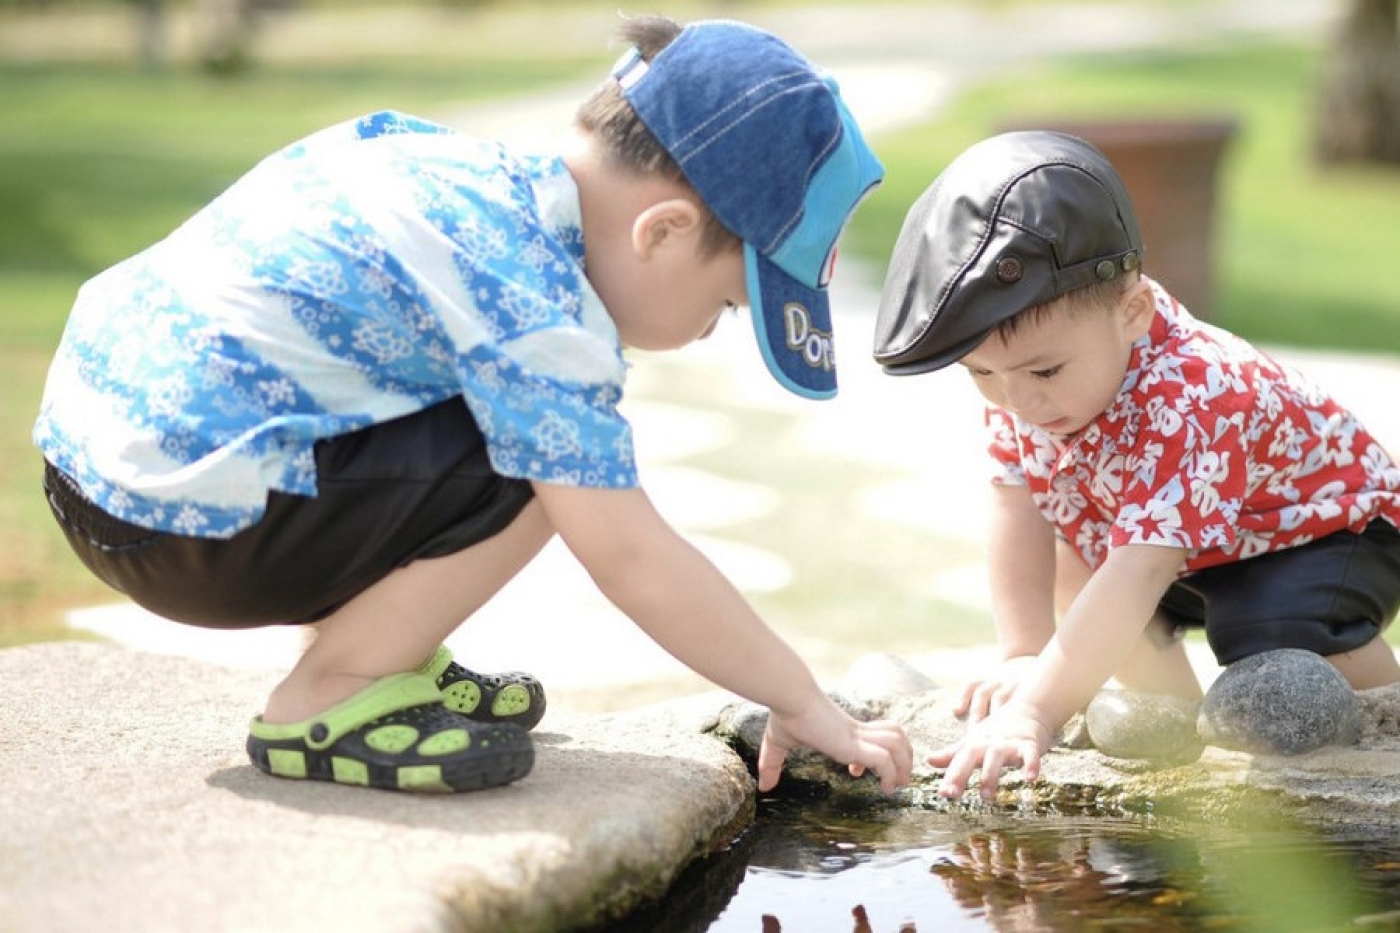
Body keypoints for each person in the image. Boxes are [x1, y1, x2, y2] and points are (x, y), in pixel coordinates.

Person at [34, 15, 913, 796]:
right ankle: (332, 692)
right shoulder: (535, 303)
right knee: (552, 468)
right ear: (665, 231)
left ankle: (386, 654)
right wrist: (798, 698)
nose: (704, 333)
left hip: (98, 468)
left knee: (512, 423)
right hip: (184, 526)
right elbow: (630, 555)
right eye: (725, 308)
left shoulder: (455, 172)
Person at [872, 129, 1400, 800]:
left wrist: (1036, 710)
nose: (1017, 400)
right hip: (1192, 547)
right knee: (1076, 555)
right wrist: (1025, 654)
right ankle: (1173, 726)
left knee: (1265, 632)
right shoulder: (1024, 388)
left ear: (1134, 311)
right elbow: (1016, 506)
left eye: (1044, 369)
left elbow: (1143, 565)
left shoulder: (1192, 393)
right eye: (981, 373)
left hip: (1329, 535)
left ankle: (1383, 716)